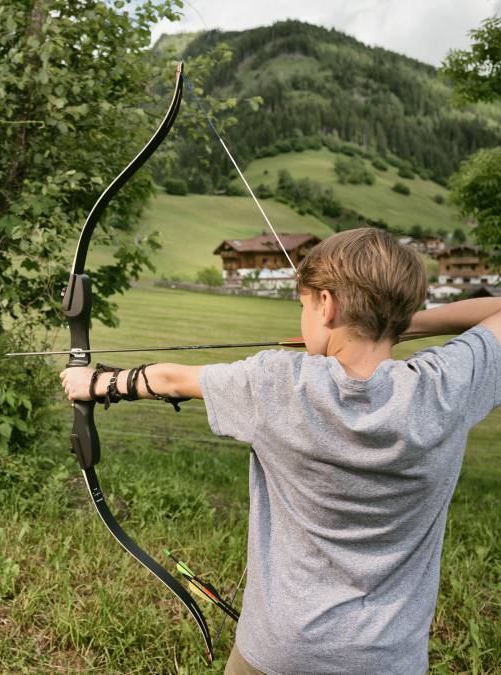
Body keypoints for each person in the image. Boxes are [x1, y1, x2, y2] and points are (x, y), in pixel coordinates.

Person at [59, 228, 501, 674]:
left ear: (326, 305)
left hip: (279, 652)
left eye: (304, 304)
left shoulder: (278, 384)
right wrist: (396, 324)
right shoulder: (447, 385)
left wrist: (95, 383)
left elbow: (171, 379)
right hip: (389, 660)